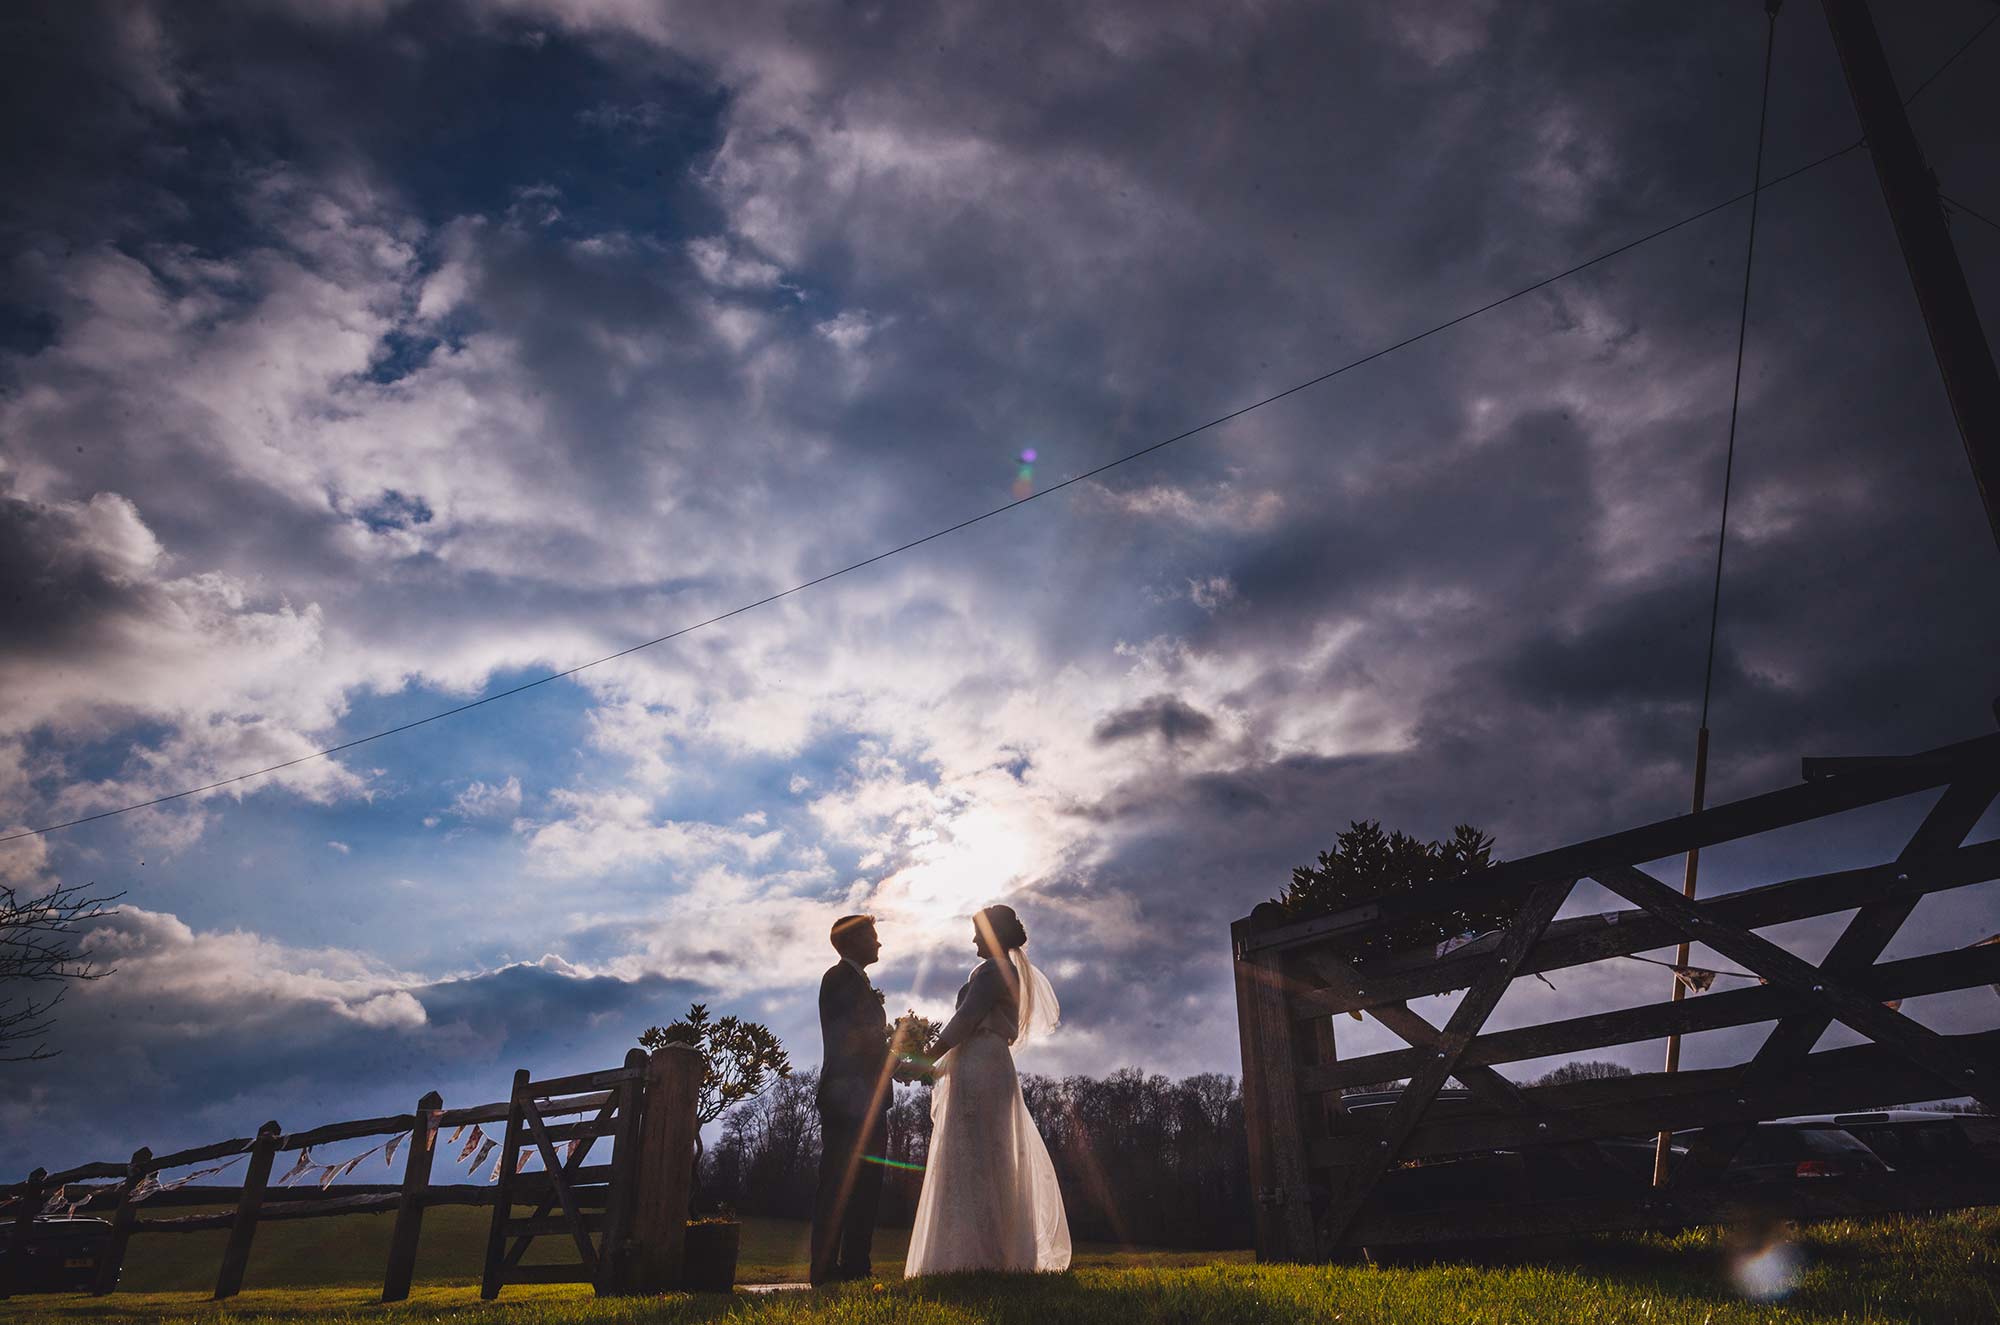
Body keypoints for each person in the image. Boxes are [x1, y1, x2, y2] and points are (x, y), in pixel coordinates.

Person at [904, 904, 1071, 1276]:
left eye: (978, 932)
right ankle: (970, 1256)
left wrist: (926, 1057)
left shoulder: (996, 971)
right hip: (982, 1061)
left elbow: (965, 1019)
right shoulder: (996, 970)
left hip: (982, 1063)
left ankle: (982, 1257)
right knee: (976, 1152)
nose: (973, 938)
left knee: (981, 1153)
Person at [810, 913, 892, 1286]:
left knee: (868, 1186)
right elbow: (851, 1039)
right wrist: (895, 1047)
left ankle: (857, 1266)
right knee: (838, 1184)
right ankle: (824, 1270)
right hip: (847, 1100)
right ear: (853, 941)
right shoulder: (837, 979)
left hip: (872, 1101)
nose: (879, 943)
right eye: (873, 936)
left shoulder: (860, 983)